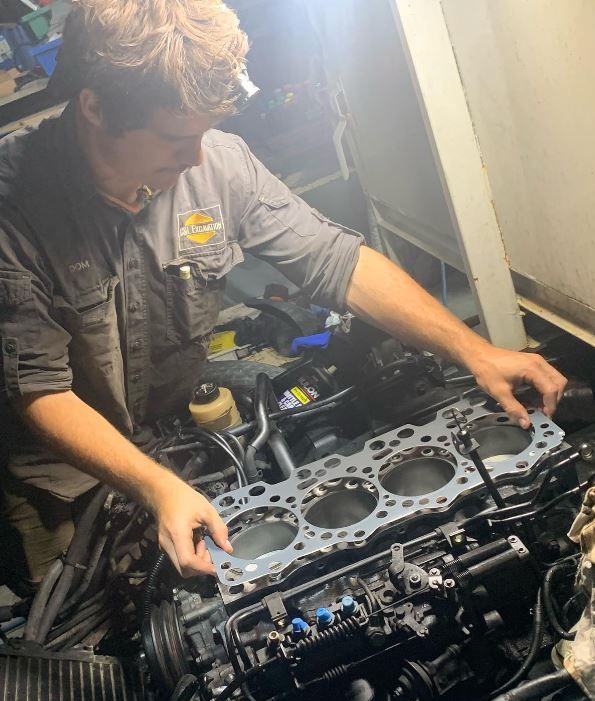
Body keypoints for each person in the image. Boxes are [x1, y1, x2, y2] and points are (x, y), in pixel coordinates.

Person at [0, 0, 566, 585]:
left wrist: (475, 352)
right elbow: (40, 390)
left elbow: (335, 261)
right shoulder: (13, 205)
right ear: (95, 108)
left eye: (204, 132)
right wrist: (156, 487)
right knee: (91, 622)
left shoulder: (218, 165)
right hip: (62, 482)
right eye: (175, 137)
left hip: (169, 436)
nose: (196, 157)